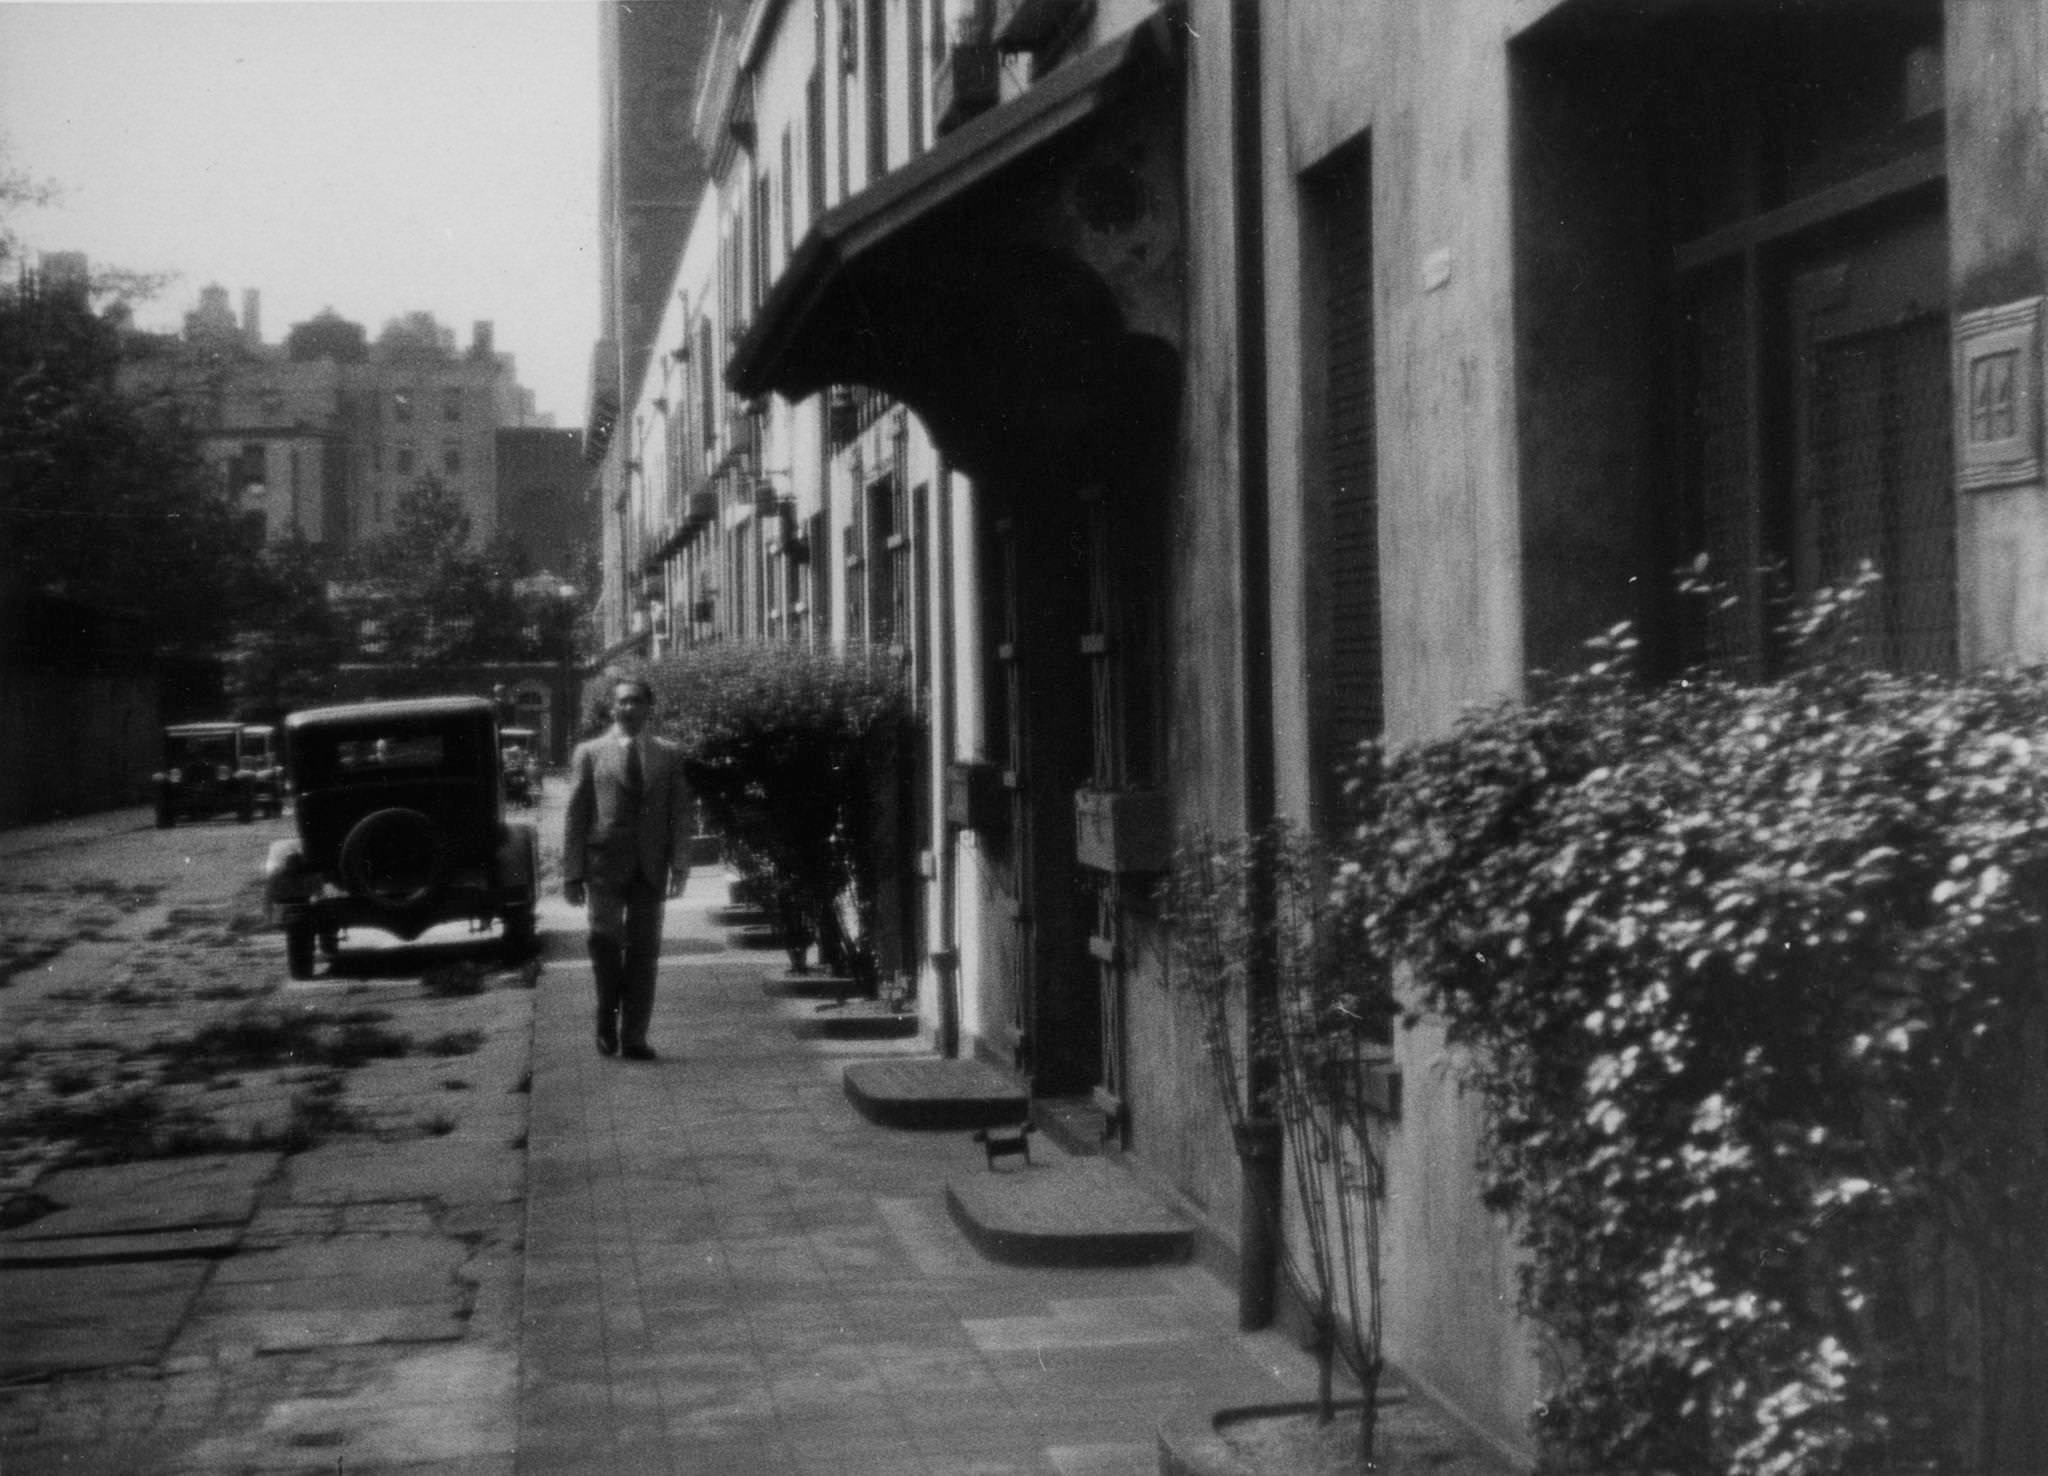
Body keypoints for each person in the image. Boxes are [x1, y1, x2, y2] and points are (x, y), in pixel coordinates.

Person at [562, 675, 692, 1060]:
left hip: (650, 869)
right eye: (622, 702)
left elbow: (680, 814)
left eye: (636, 701)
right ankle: (607, 1019)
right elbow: (576, 815)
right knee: (605, 948)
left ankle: (635, 1037)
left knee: (644, 953)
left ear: (649, 707)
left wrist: (680, 865)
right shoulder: (590, 753)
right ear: (612, 708)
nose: (628, 708)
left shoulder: (668, 755)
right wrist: (572, 873)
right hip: (603, 867)